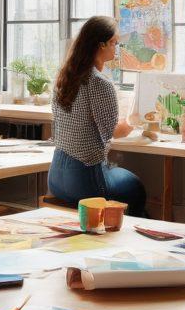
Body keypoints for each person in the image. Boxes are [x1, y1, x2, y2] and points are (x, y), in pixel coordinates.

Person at [49, 16, 147, 216]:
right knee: (136, 188)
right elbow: (112, 132)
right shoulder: (99, 82)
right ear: (100, 45)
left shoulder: (64, 76)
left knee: (123, 179)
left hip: (57, 176)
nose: (116, 48)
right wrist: (135, 121)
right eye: (114, 43)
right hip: (84, 180)